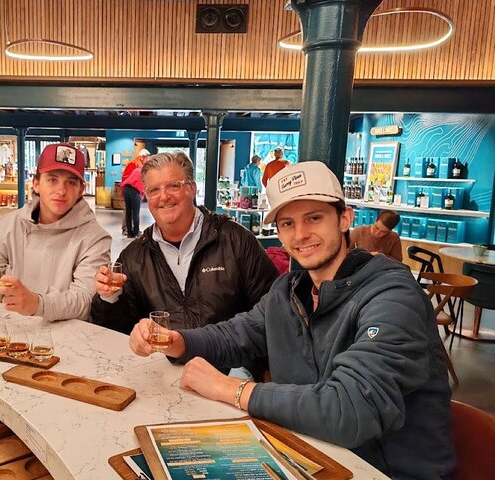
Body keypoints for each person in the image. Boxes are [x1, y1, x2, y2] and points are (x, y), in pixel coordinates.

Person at [129, 161, 455, 479]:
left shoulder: (393, 295)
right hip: (308, 457)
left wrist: (232, 389)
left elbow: (350, 409)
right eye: (287, 223)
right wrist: (176, 341)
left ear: (345, 219)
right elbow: (235, 334)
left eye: (314, 218)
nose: (300, 234)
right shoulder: (289, 292)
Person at [92, 152, 278, 378]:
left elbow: (272, 311)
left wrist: (263, 374)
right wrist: (110, 298)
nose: (164, 196)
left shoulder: (235, 240)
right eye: (154, 190)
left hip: (229, 371)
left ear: (192, 188)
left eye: (173, 186)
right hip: (162, 371)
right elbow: (117, 330)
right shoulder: (134, 256)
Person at [0, 142, 111, 321]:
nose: (61, 191)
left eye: (71, 182)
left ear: (80, 191)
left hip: (65, 331)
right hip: (9, 326)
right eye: (52, 180)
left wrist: (38, 304)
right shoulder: (10, 224)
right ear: (36, 184)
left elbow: (85, 300)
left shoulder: (95, 238)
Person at [120, 149, 149, 235]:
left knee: (129, 211)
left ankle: (129, 231)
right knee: (134, 212)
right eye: (147, 158)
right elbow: (141, 183)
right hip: (134, 190)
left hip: (126, 188)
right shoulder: (135, 164)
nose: (147, 160)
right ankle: (133, 231)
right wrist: (142, 195)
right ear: (142, 157)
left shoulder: (137, 165)